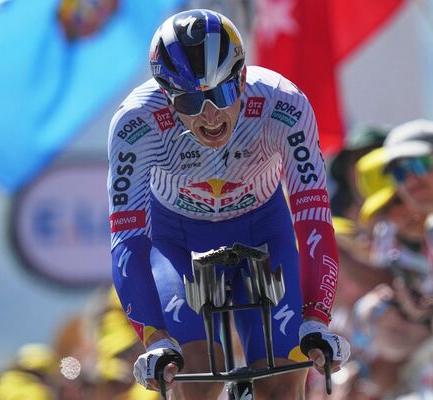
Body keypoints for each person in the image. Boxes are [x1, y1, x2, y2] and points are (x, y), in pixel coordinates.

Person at [107, 9, 350, 399]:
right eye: (189, 101)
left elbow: (313, 219)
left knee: (282, 385)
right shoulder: (137, 123)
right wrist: (154, 337)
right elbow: (128, 239)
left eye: (222, 93)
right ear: (165, 95)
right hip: (177, 242)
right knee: (195, 378)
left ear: (242, 77)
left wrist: (316, 316)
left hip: (264, 230)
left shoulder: (283, 105)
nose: (210, 114)